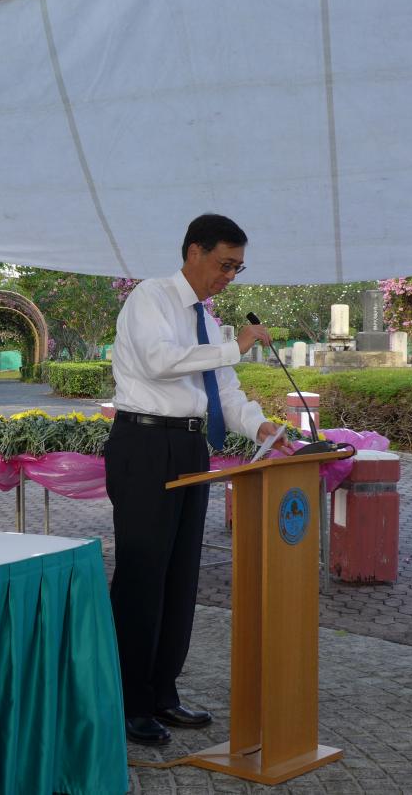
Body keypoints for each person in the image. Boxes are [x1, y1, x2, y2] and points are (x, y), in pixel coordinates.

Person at [105, 213, 289, 746]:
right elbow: (159, 362)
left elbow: (222, 391)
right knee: (143, 574)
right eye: (225, 264)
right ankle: (128, 701)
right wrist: (237, 346)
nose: (229, 276)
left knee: (180, 575)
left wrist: (259, 425)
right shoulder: (151, 298)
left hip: (189, 445)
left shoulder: (206, 321)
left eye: (237, 268)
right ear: (194, 252)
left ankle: (163, 692)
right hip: (145, 444)